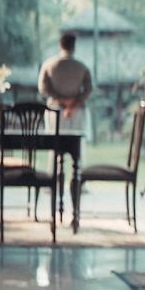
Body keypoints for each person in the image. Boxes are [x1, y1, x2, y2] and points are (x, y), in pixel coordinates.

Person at [37, 32, 93, 190]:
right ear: (74, 46)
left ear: (60, 45)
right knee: (78, 146)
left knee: (54, 146)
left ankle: (51, 182)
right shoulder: (82, 67)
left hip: (54, 110)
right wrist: (73, 103)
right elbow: (89, 89)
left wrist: (61, 100)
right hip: (77, 111)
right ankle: (79, 183)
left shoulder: (49, 65)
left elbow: (43, 88)